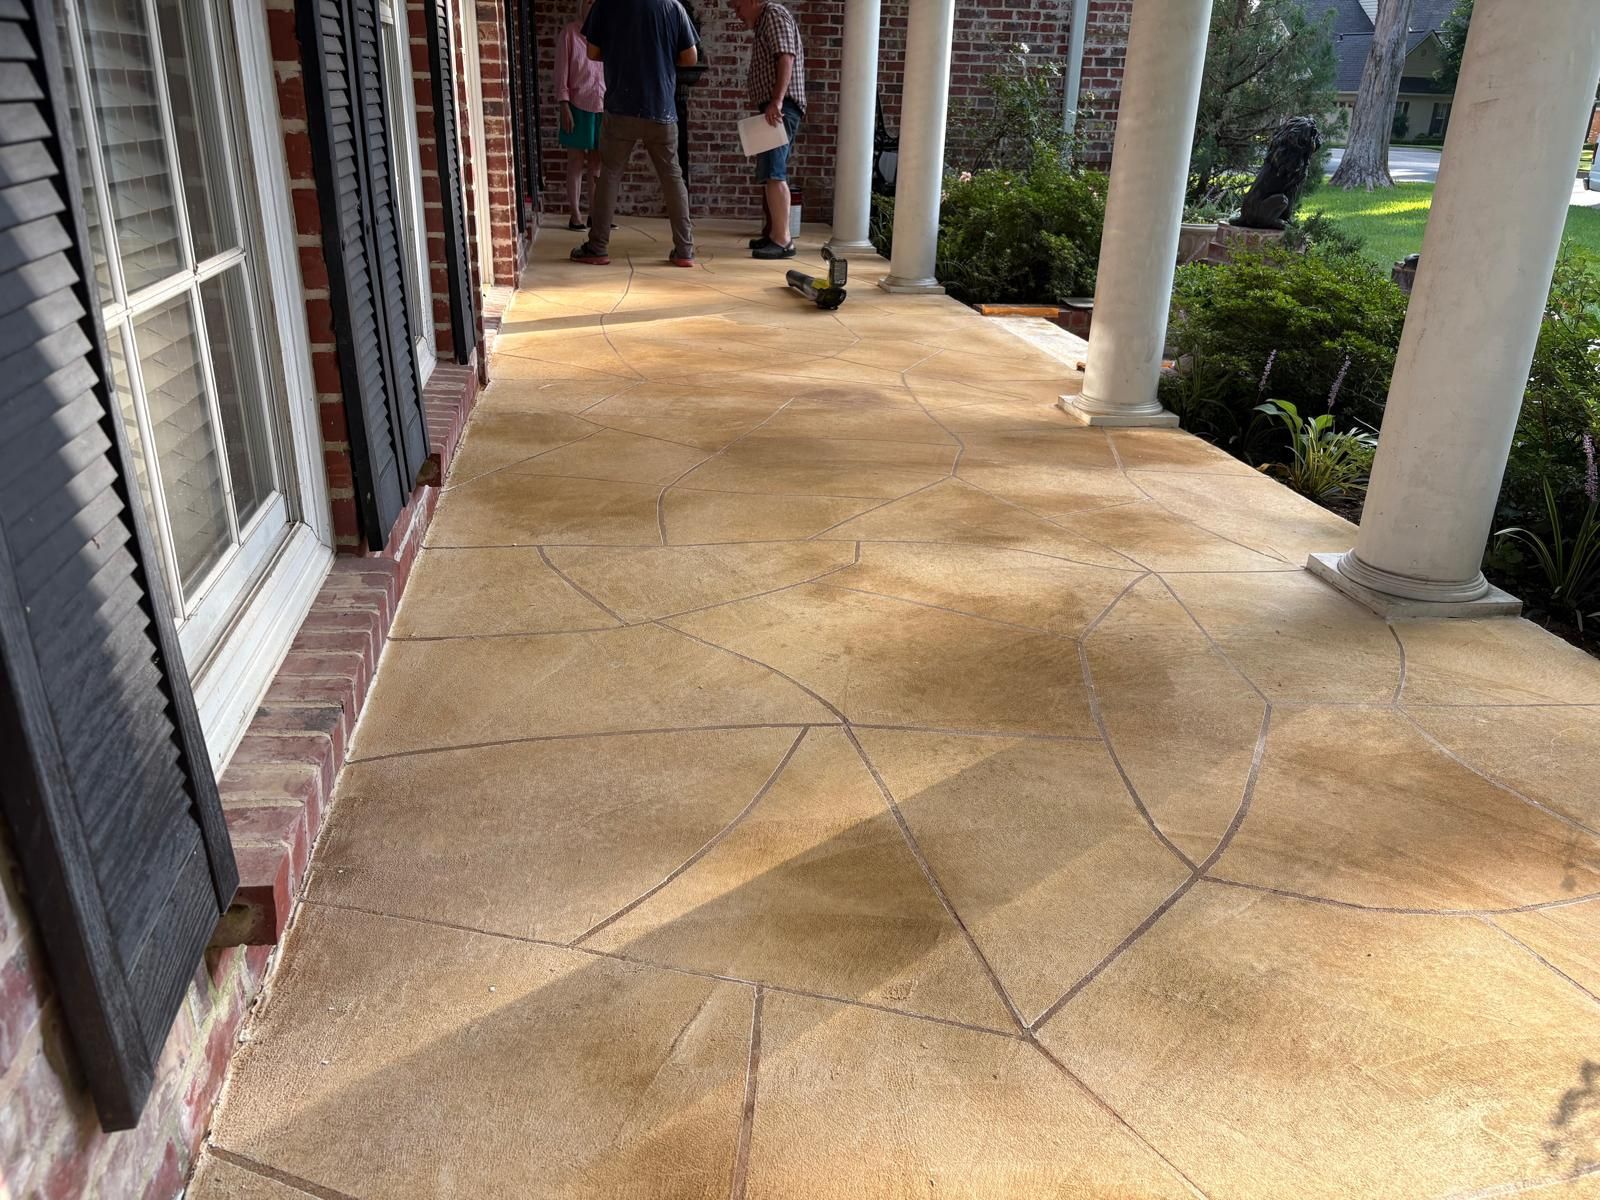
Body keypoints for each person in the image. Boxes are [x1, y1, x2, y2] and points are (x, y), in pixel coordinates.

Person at [570, 0, 699, 268]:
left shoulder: (606, 5)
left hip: (620, 106)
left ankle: (597, 247)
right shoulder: (672, 6)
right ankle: (684, 250)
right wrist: (662, 57)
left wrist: (621, 54)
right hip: (661, 107)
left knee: (609, 174)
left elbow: (592, 52)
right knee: (672, 176)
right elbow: (690, 57)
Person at [734, 0, 805, 260]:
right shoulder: (765, 20)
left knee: (775, 172)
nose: (737, 14)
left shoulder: (774, 15)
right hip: (774, 106)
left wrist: (776, 101)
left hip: (781, 107)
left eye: (738, 7)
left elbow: (786, 57)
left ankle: (783, 240)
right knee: (768, 172)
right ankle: (774, 233)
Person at [556, 0, 606, 231]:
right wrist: (564, 105)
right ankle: (575, 215)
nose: (592, 6)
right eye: (588, 1)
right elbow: (561, 72)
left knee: (597, 163)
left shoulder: (607, 33)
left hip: (603, 105)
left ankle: (595, 215)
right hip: (577, 105)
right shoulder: (569, 34)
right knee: (576, 161)